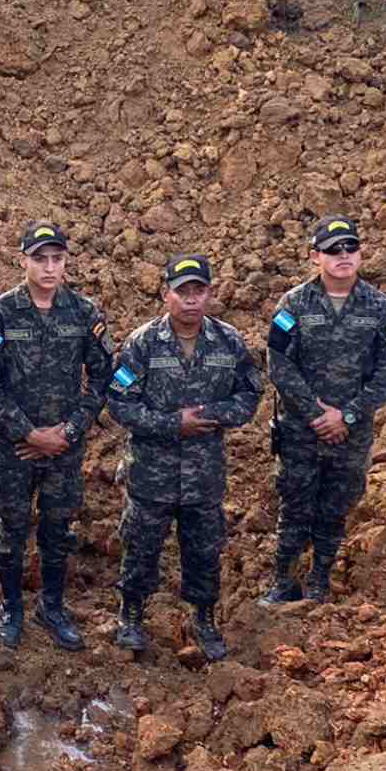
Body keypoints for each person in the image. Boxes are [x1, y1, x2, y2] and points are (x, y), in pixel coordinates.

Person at [107, 255, 261, 662]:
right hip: (151, 474)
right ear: (166, 295)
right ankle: (131, 615)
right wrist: (173, 423)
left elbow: (250, 395)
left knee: (204, 550)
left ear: (210, 294)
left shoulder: (228, 342)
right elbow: (120, 402)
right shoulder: (142, 343)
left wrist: (211, 415)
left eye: (199, 291)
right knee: (140, 546)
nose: (191, 300)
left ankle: (203, 619)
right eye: (182, 292)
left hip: (203, 474)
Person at [0, 221, 113, 650]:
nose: (49, 268)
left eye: (57, 259)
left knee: (58, 527)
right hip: (14, 448)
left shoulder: (85, 314)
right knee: (11, 527)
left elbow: (102, 379)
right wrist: (29, 433)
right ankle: (11, 607)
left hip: (64, 449)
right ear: (24, 261)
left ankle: (52, 607)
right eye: (40, 259)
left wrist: (69, 431)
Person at [261, 216, 386, 606]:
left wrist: (348, 415)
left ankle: (319, 580)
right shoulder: (294, 304)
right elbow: (279, 364)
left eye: (350, 248)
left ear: (361, 253)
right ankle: (283, 581)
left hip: (350, 433)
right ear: (315, 257)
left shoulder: (380, 307)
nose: (343, 256)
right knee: (294, 505)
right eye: (333, 250)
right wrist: (315, 413)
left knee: (335, 507)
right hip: (300, 430)